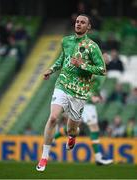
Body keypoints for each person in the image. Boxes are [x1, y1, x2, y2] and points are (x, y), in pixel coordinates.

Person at [36, 14, 107, 172]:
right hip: (62, 84)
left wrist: (82, 65)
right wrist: (51, 69)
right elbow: (63, 58)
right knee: (53, 117)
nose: (79, 24)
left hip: (80, 92)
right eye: (77, 22)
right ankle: (44, 157)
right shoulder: (66, 41)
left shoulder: (92, 47)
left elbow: (102, 70)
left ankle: (72, 136)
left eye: (83, 22)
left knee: (72, 129)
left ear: (88, 27)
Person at [53, 75, 113, 165]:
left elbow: (95, 87)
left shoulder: (99, 72)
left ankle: (52, 138)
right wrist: (92, 97)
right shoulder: (93, 70)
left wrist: (98, 96)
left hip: (84, 103)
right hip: (87, 104)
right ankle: (98, 158)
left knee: (74, 126)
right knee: (94, 129)